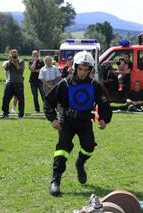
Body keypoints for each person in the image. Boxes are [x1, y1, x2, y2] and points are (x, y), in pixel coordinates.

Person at [44, 51, 112, 196]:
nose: (83, 72)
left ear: (90, 70)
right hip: (66, 121)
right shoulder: (65, 84)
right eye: (80, 69)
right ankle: (55, 181)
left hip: (85, 121)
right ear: (75, 67)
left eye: (86, 69)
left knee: (89, 147)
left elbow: (104, 103)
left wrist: (103, 119)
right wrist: (53, 119)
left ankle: (80, 163)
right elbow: (49, 102)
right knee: (62, 149)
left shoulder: (94, 85)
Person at [1, 49, 25, 118]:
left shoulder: (21, 61)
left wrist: (15, 62)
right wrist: (10, 60)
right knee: (6, 98)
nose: (14, 55)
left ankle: (21, 114)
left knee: (21, 99)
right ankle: (5, 113)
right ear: (10, 54)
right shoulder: (7, 62)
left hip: (18, 83)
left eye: (15, 53)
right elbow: (6, 68)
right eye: (12, 53)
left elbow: (19, 70)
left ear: (17, 54)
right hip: (9, 82)